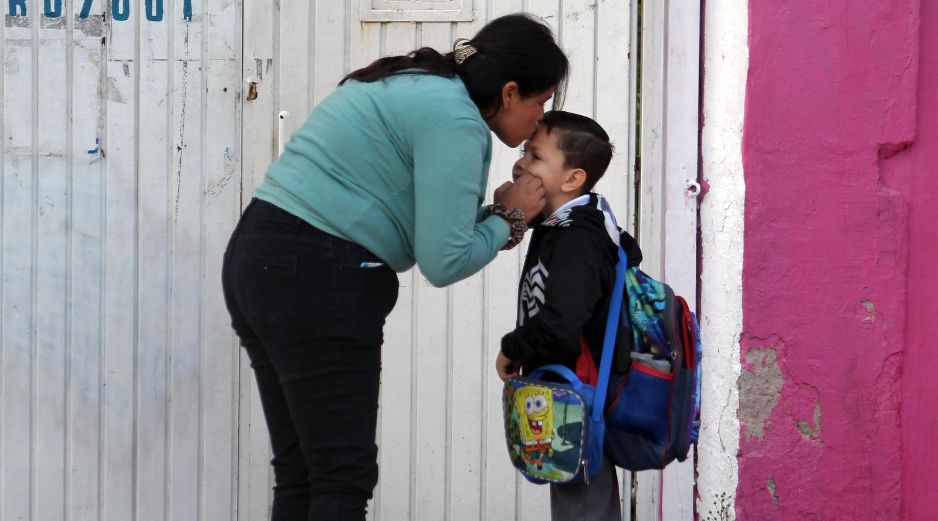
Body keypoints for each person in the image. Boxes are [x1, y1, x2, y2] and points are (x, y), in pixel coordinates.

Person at [221, 13, 569, 521]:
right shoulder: (456, 119)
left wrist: (494, 216)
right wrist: (510, 220)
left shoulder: (416, 82)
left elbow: (425, 217)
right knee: (341, 474)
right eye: (541, 104)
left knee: (304, 470)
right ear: (511, 91)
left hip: (260, 257)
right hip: (320, 275)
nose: (539, 122)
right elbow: (444, 259)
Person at [495, 110, 622, 521]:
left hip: (579, 395)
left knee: (583, 506)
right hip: (567, 393)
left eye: (535, 157)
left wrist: (513, 347)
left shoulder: (579, 239)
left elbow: (561, 326)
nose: (520, 164)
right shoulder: (560, 227)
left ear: (572, 179)